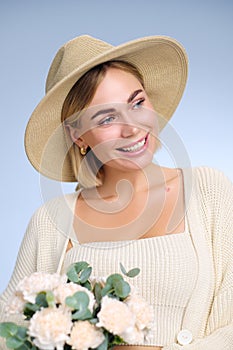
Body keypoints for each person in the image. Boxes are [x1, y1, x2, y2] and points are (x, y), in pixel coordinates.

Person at [0, 34, 232, 350]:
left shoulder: (210, 192)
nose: (132, 128)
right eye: (107, 118)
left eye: (137, 103)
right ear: (78, 135)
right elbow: (8, 332)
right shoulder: (51, 222)